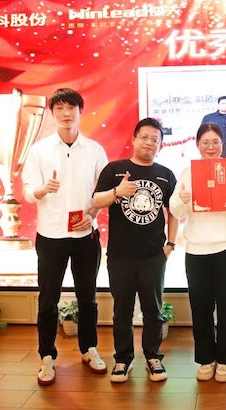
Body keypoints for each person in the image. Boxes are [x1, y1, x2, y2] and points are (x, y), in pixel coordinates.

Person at [21, 87, 109, 386]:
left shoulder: (94, 149)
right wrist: (43, 190)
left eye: (71, 107)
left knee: (88, 297)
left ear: (80, 111)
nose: (66, 113)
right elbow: (27, 190)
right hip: (51, 235)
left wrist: (93, 215)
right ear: (52, 113)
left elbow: (103, 191)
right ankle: (46, 356)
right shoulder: (40, 150)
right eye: (59, 108)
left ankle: (89, 349)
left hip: (86, 235)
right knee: (48, 299)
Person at [92, 117, 178, 383]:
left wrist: (171, 245)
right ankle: (123, 359)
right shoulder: (115, 169)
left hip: (153, 255)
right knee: (122, 311)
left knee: (154, 311)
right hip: (120, 255)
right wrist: (117, 192)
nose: (149, 143)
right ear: (133, 139)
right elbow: (96, 201)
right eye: (145, 137)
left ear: (160, 145)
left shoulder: (166, 174)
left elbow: (174, 211)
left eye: (155, 139)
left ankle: (153, 357)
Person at [168, 123, 226, 383]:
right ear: (198, 145)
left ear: (222, 144)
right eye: (205, 142)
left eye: (215, 142)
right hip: (196, 249)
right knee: (200, 307)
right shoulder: (187, 173)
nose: (211, 147)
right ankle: (205, 359)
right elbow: (175, 210)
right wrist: (182, 199)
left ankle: (224, 360)